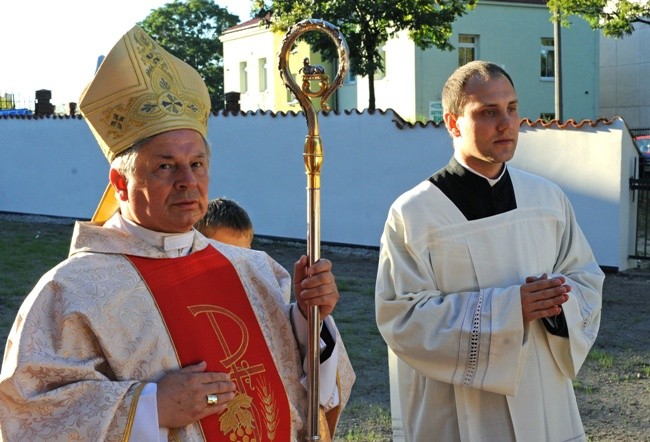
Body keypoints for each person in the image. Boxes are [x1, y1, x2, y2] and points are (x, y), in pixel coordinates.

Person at [0, 26, 354, 441]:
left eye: (198, 163)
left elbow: (301, 382)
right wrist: (149, 406)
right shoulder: (70, 292)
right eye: (165, 166)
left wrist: (310, 320)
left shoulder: (254, 269)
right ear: (119, 182)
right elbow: (29, 415)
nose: (188, 180)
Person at [375, 61, 603, 441]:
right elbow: (403, 317)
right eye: (488, 112)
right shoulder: (414, 213)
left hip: (542, 392)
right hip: (459, 408)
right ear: (452, 123)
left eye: (512, 108)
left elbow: (586, 277)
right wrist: (512, 308)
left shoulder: (547, 199)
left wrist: (559, 301)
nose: (506, 123)